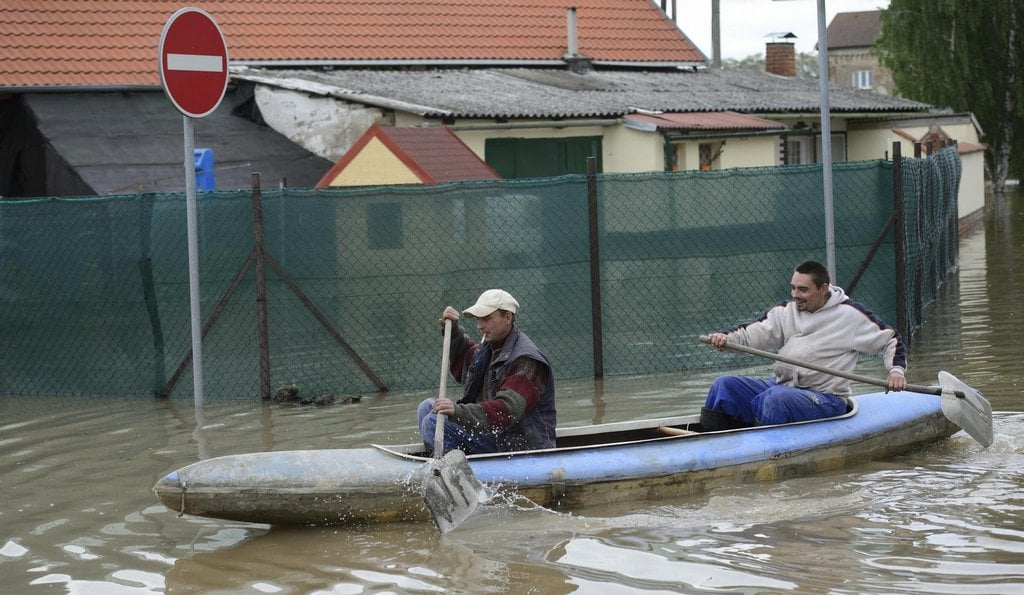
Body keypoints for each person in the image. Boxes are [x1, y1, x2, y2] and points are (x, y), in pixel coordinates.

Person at [700, 260, 908, 430]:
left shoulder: (851, 315)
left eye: (803, 290)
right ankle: (709, 442)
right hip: (783, 387)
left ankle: (759, 448)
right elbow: (750, 333)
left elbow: (891, 340)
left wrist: (896, 371)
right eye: (793, 288)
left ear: (823, 289)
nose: (795, 295)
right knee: (724, 386)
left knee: (775, 400)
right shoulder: (786, 311)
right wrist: (725, 339)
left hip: (826, 399)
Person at [417, 289, 556, 455]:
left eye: (486, 319)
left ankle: (452, 471)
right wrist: (453, 331)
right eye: (478, 319)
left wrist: (457, 411)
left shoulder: (526, 360)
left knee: (433, 421)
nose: (479, 325)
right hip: (493, 434)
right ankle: (445, 461)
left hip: (518, 445)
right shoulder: (491, 347)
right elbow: (467, 363)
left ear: (508, 317)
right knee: (426, 407)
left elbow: (506, 411)